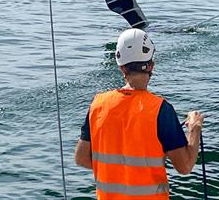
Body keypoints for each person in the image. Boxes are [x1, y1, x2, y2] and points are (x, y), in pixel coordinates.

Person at [74, 28, 204, 199]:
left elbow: (81, 158)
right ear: (151, 66)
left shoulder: (98, 105)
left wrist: (120, 169)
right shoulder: (161, 110)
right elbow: (185, 166)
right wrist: (194, 130)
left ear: (122, 68)